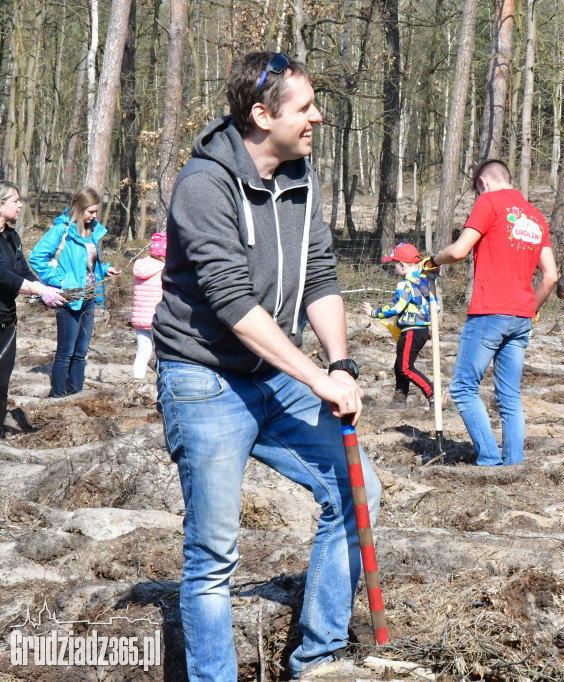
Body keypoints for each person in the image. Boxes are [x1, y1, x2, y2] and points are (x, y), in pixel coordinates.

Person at [151, 51, 381, 680]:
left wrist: (343, 363)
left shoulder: (301, 177)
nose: (316, 118)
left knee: (359, 492)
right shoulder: (204, 183)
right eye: (304, 108)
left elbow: (322, 277)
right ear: (261, 114)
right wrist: (313, 374)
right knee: (213, 555)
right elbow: (231, 300)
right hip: (202, 377)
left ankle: (319, 657)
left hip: (273, 374)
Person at [422, 159, 558, 466]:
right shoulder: (536, 217)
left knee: (462, 388)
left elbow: (458, 251)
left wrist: (432, 261)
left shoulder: (488, 202)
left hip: (489, 312)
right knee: (509, 396)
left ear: (483, 183)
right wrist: (529, 309)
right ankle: (513, 465)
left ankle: (490, 460)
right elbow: (551, 276)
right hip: (522, 317)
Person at [29, 187, 120, 397]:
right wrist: (61, 282)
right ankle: (59, 396)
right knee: (65, 352)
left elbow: (85, 265)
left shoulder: (93, 232)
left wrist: (104, 269)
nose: (94, 216)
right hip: (69, 298)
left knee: (81, 353)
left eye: (96, 212)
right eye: (91, 211)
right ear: (79, 208)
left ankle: (76, 395)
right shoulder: (61, 231)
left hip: (89, 296)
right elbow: (36, 258)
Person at [0, 182, 66, 434]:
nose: (20, 205)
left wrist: (48, 290)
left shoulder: (12, 236)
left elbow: (22, 271)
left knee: (2, 383)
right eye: (15, 200)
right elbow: (3, 275)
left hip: (8, 321)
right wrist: (38, 290)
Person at [361, 242, 433, 410]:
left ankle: (433, 394)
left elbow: (396, 307)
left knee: (405, 367)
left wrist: (374, 312)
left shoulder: (405, 284)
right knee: (400, 365)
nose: (394, 269)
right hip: (421, 330)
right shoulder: (424, 281)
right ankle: (399, 400)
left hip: (411, 330)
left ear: (401, 265)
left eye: (394, 265)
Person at [130, 231, 166, 380]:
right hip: (157, 319)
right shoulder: (164, 270)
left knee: (142, 353)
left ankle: (136, 385)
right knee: (162, 354)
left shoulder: (140, 267)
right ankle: (162, 382)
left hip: (139, 319)